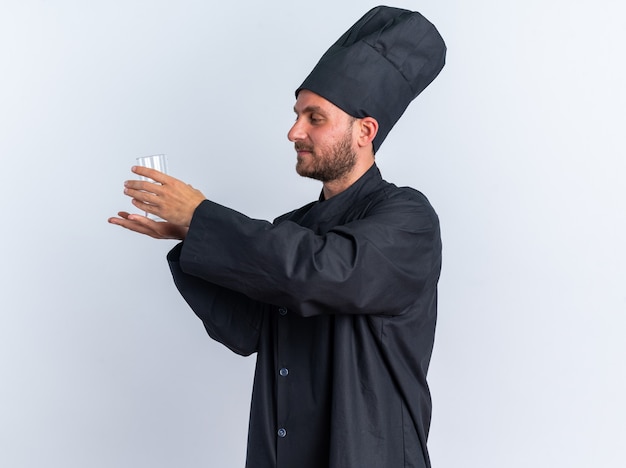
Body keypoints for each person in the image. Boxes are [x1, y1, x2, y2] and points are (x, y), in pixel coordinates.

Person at [109, 5, 446, 468]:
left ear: (365, 131)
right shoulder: (295, 227)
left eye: (315, 118)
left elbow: (321, 272)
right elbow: (248, 329)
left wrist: (204, 217)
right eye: (296, 115)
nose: (294, 131)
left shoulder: (409, 219)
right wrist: (189, 236)